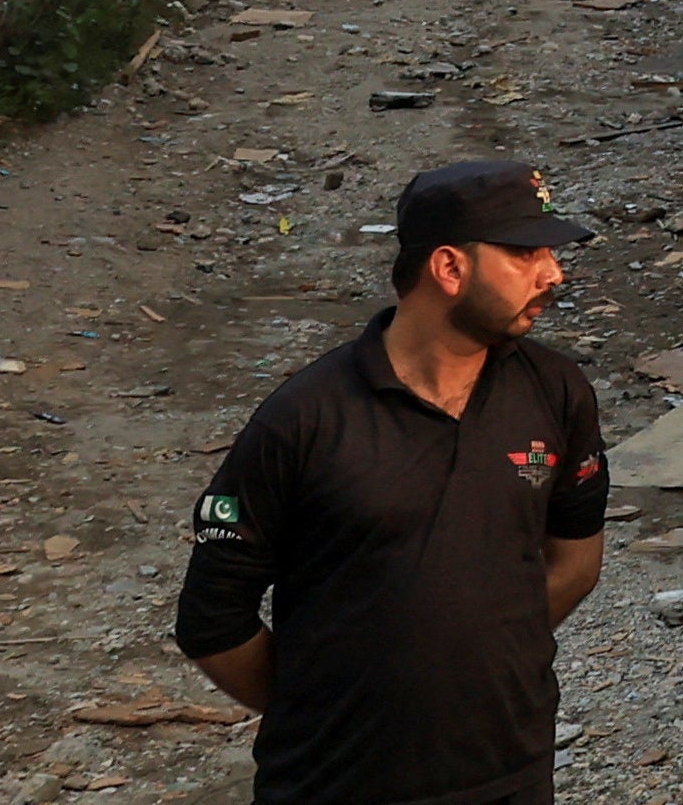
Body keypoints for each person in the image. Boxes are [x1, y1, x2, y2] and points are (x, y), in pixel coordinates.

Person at [173, 160, 615, 805]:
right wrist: (326, 706)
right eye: (525, 253)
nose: (553, 273)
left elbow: (576, 561)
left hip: (510, 778)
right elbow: (212, 620)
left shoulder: (556, 391)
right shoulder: (304, 419)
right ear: (449, 268)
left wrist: (477, 660)